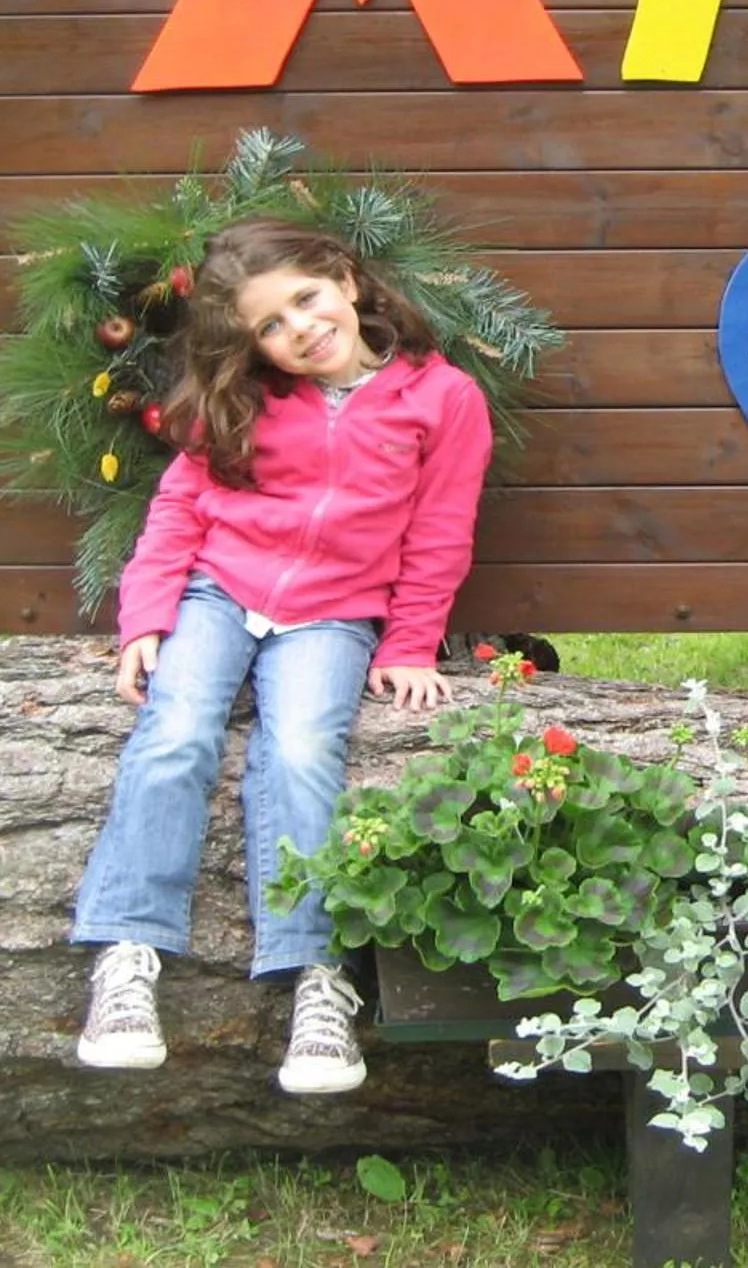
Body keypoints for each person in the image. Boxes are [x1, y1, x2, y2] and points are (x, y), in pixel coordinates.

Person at [69, 216, 493, 1094]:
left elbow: (441, 531)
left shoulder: (442, 398)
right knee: (176, 731)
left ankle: (317, 977)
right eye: (271, 324)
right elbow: (178, 509)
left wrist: (411, 642)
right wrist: (146, 617)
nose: (299, 328)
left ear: (345, 279)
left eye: (306, 298)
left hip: (334, 614)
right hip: (219, 591)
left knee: (301, 751)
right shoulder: (247, 399)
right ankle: (126, 954)